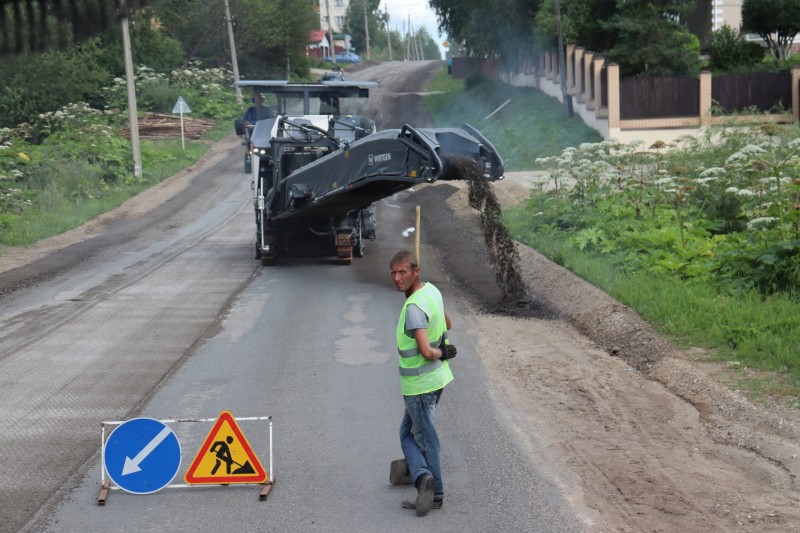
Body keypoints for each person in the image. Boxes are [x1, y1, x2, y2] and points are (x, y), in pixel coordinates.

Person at [388, 249, 457, 517]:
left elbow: (427, 351)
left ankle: (431, 489)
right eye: (393, 272)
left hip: (420, 386)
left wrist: (440, 352)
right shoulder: (432, 292)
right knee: (408, 434)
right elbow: (447, 321)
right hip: (437, 380)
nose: (397, 277)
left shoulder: (414, 307)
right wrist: (444, 352)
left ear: (416, 271)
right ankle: (420, 474)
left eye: (403, 271)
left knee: (425, 439)